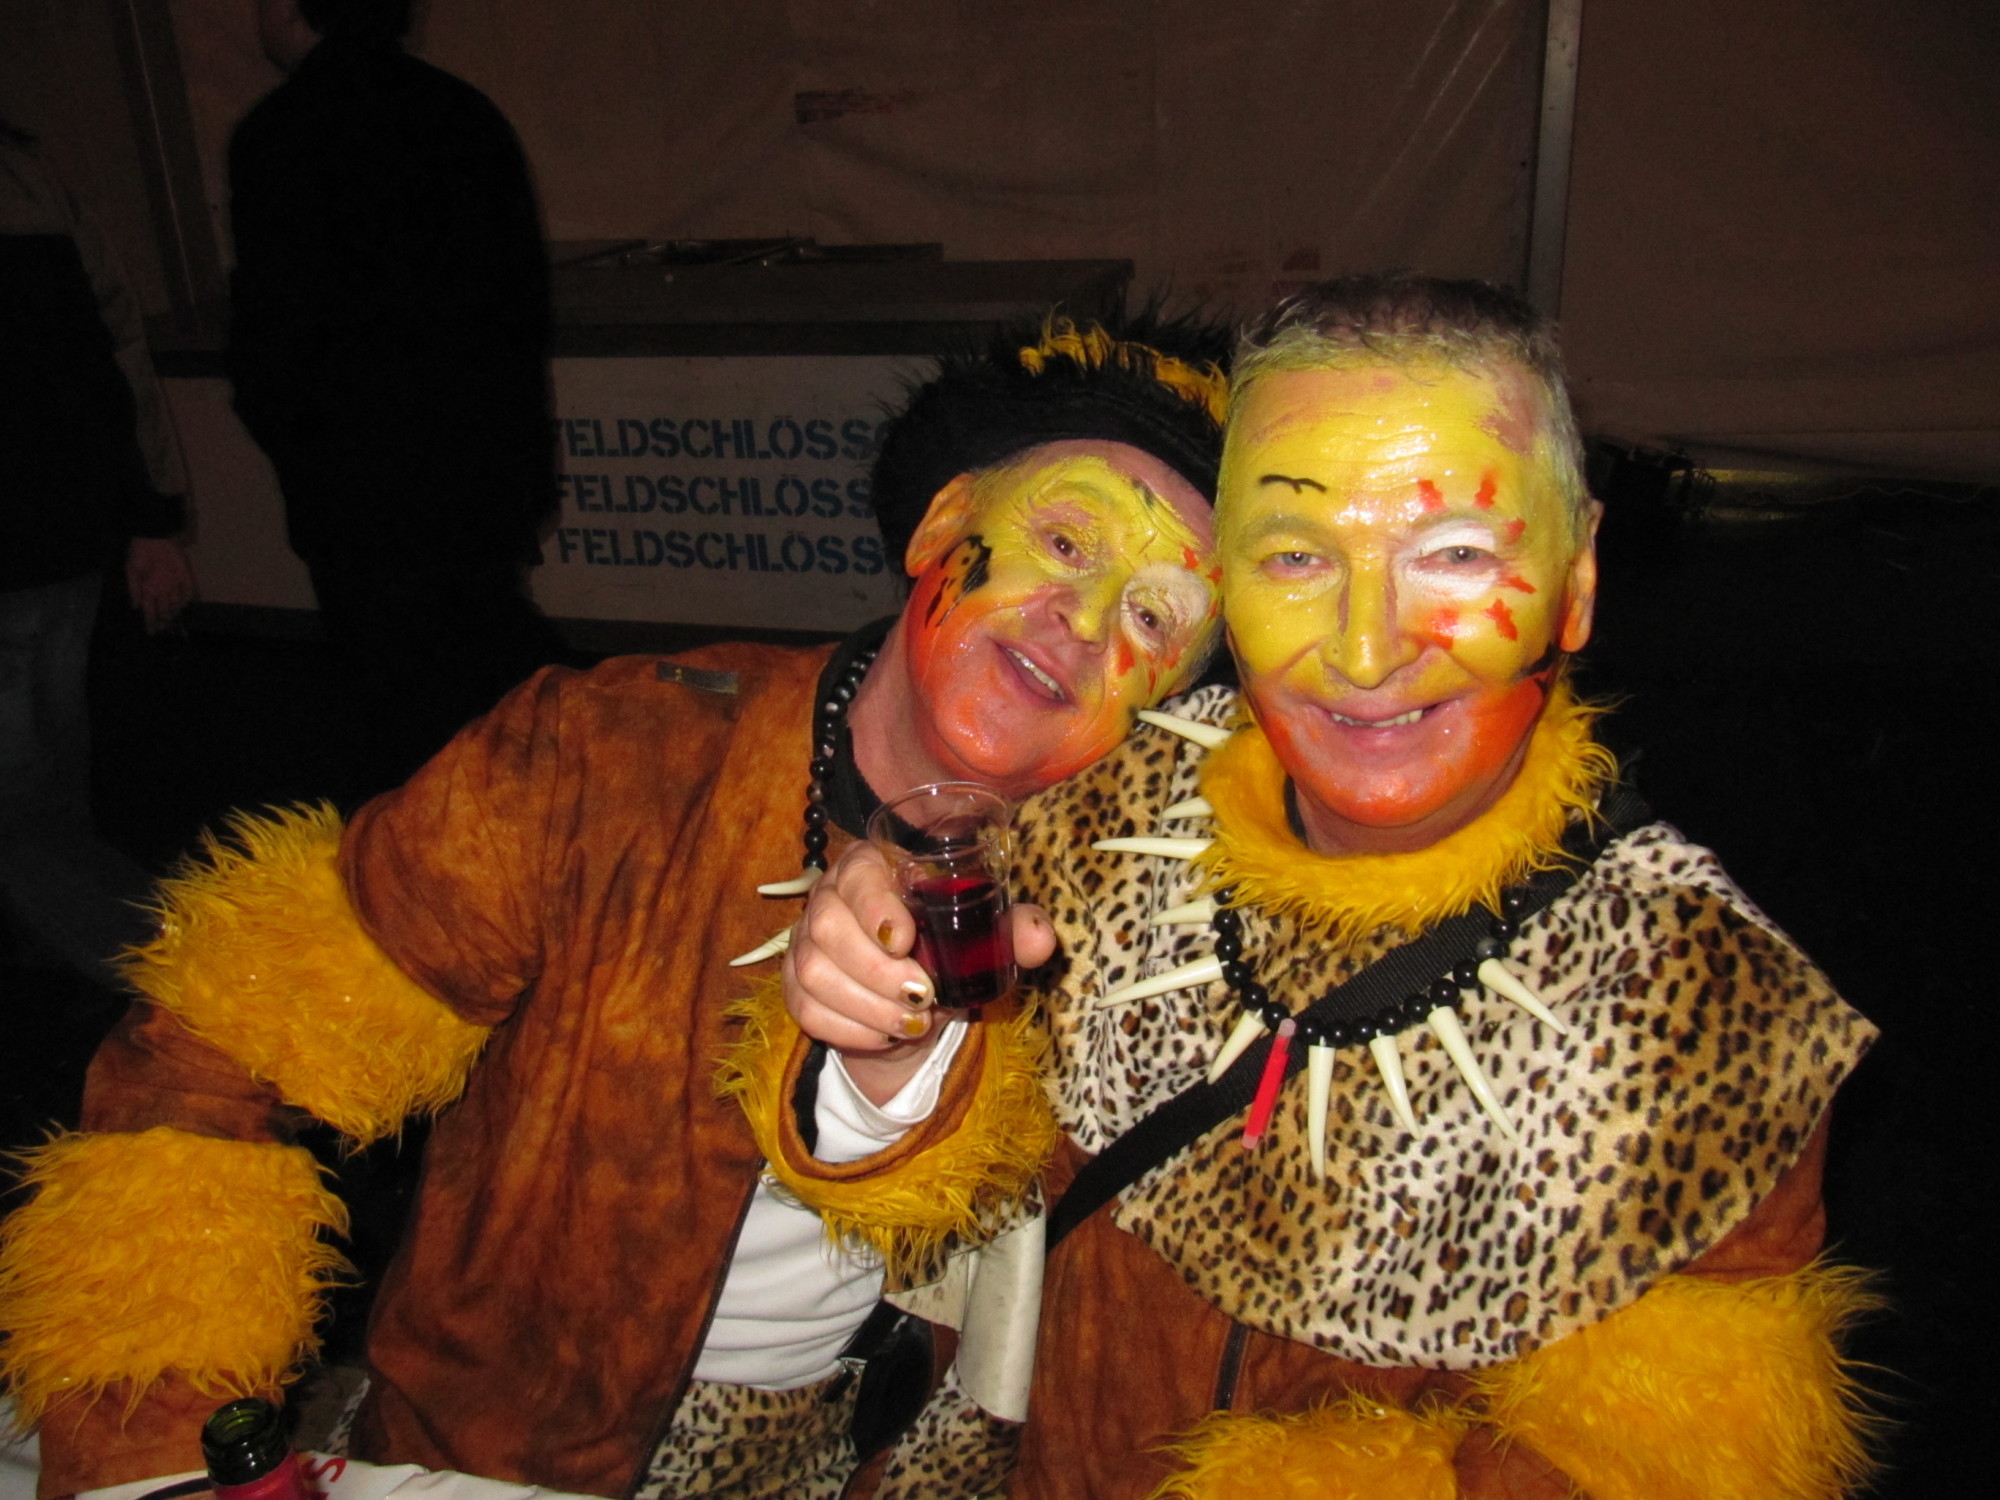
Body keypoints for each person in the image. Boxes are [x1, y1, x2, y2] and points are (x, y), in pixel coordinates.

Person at [0, 313, 1229, 1499]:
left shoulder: (1152, 907)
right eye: (1065, 543)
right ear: (943, 523)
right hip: (507, 1459)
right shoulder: (609, 756)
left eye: (1151, 615)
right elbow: (210, 1053)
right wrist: (151, 1447)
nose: (1081, 625)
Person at [783, 275, 1879, 1498]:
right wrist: (888, 1054)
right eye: (1295, 554)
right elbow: (928, 1232)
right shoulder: (1100, 816)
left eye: (1452, 554)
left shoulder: (1702, 1010)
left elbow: (1650, 1460)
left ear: (1573, 581)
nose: (1362, 651)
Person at [228, 0, 567, 793]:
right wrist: (521, 462)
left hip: (355, 486)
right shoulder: (464, 113)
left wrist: (300, 447)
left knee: (397, 711)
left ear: (293, 9)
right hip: (475, 472)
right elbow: (521, 310)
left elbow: (272, 330)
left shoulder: (279, 132)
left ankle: (424, 854)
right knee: (492, 688)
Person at [0, 119, 196, 993]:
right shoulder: (32, 178)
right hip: (69, 527)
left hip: (43, 537)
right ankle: (78, 945)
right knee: (49, 760)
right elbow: (116, 356)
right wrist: (149, 516)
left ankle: (156, 953)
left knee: (22, 791)